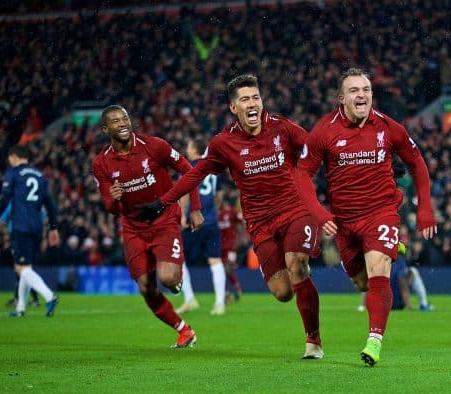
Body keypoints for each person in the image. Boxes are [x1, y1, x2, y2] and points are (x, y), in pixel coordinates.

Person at [134, 74, 324, 359]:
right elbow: (195, 173)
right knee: (283, 292)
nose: (253, 104)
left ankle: (313, 342)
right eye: (245, 99)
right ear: (234, 108)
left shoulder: (282, 128)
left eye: (256, 98)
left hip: (295, 209)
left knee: (296, 264)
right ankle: (297, 274)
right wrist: (163, 202)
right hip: (260, 223)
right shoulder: (224, 142)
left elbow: (318, 147)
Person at [296, 68, 437, 366]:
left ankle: (374, 341)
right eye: (354, 90)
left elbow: (417, 163)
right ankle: (389, 250)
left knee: (378, 272)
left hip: (381, 211)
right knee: (362, 282)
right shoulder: (324, 130)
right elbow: (302, 175)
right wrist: (320, 213)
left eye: (366, 89)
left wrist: (425, 209)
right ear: (341, 98)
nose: (361, 95)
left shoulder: (388, 127)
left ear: (372, 94)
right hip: (345, 221)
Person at [92, 104, 204, 348]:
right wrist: (113, 197)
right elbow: (110, 207)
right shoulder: (101, 164)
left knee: (168, 277)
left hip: (164, 220)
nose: (122, 123)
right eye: (115, 121)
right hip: (133, 228)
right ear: (105, 129)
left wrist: (195, 208)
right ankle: (184, 330)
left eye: (124, 118)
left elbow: (189, 171)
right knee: (145, 286)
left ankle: (175, 278)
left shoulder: (155, 146)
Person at [0, 145, 60, 317]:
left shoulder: (13, 173)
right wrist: (53, 228)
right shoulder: (40, 176)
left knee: (22, 269)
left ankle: (49, 296)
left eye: (9, 158)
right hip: (36, 227)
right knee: (24, 266)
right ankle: (20, 308)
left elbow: (4, 199)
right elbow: (50, 205)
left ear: (14, 156)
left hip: (20, 226)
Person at [176, 137, 227, 316]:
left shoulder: (188, 166)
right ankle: (220, 304)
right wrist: (213, 210)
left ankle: (190, 300)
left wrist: (182, 214)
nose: (187, 149)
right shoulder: (213, 169)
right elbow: (219, 195)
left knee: (179, 258)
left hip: (193, 221)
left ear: (195, 149)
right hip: (211, 221)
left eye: (189, 146)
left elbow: (185, 193)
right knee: (215, 260)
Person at [357, 242, 434, 312]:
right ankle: (423, 304)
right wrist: (408, 306)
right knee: (413, 271)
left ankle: (363, 305)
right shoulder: (400, 262)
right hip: (397, 304)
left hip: (381, 305)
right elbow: (403, 285)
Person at [0, 202, 41, 308]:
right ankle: (23, 299)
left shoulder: (13, 203)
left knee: (22, 270)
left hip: (18, 239)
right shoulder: (28, 203)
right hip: (28, 238)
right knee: (23, 271)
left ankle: (27, 299)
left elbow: (2, 220)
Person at [218, 196, 243, 302]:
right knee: (223, 271)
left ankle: (235, 288)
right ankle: (227, 293)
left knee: (228, 269)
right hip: (221, 247)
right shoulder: (217, 215)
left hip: (231, 247)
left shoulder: (232, 212)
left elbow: (241, 220)